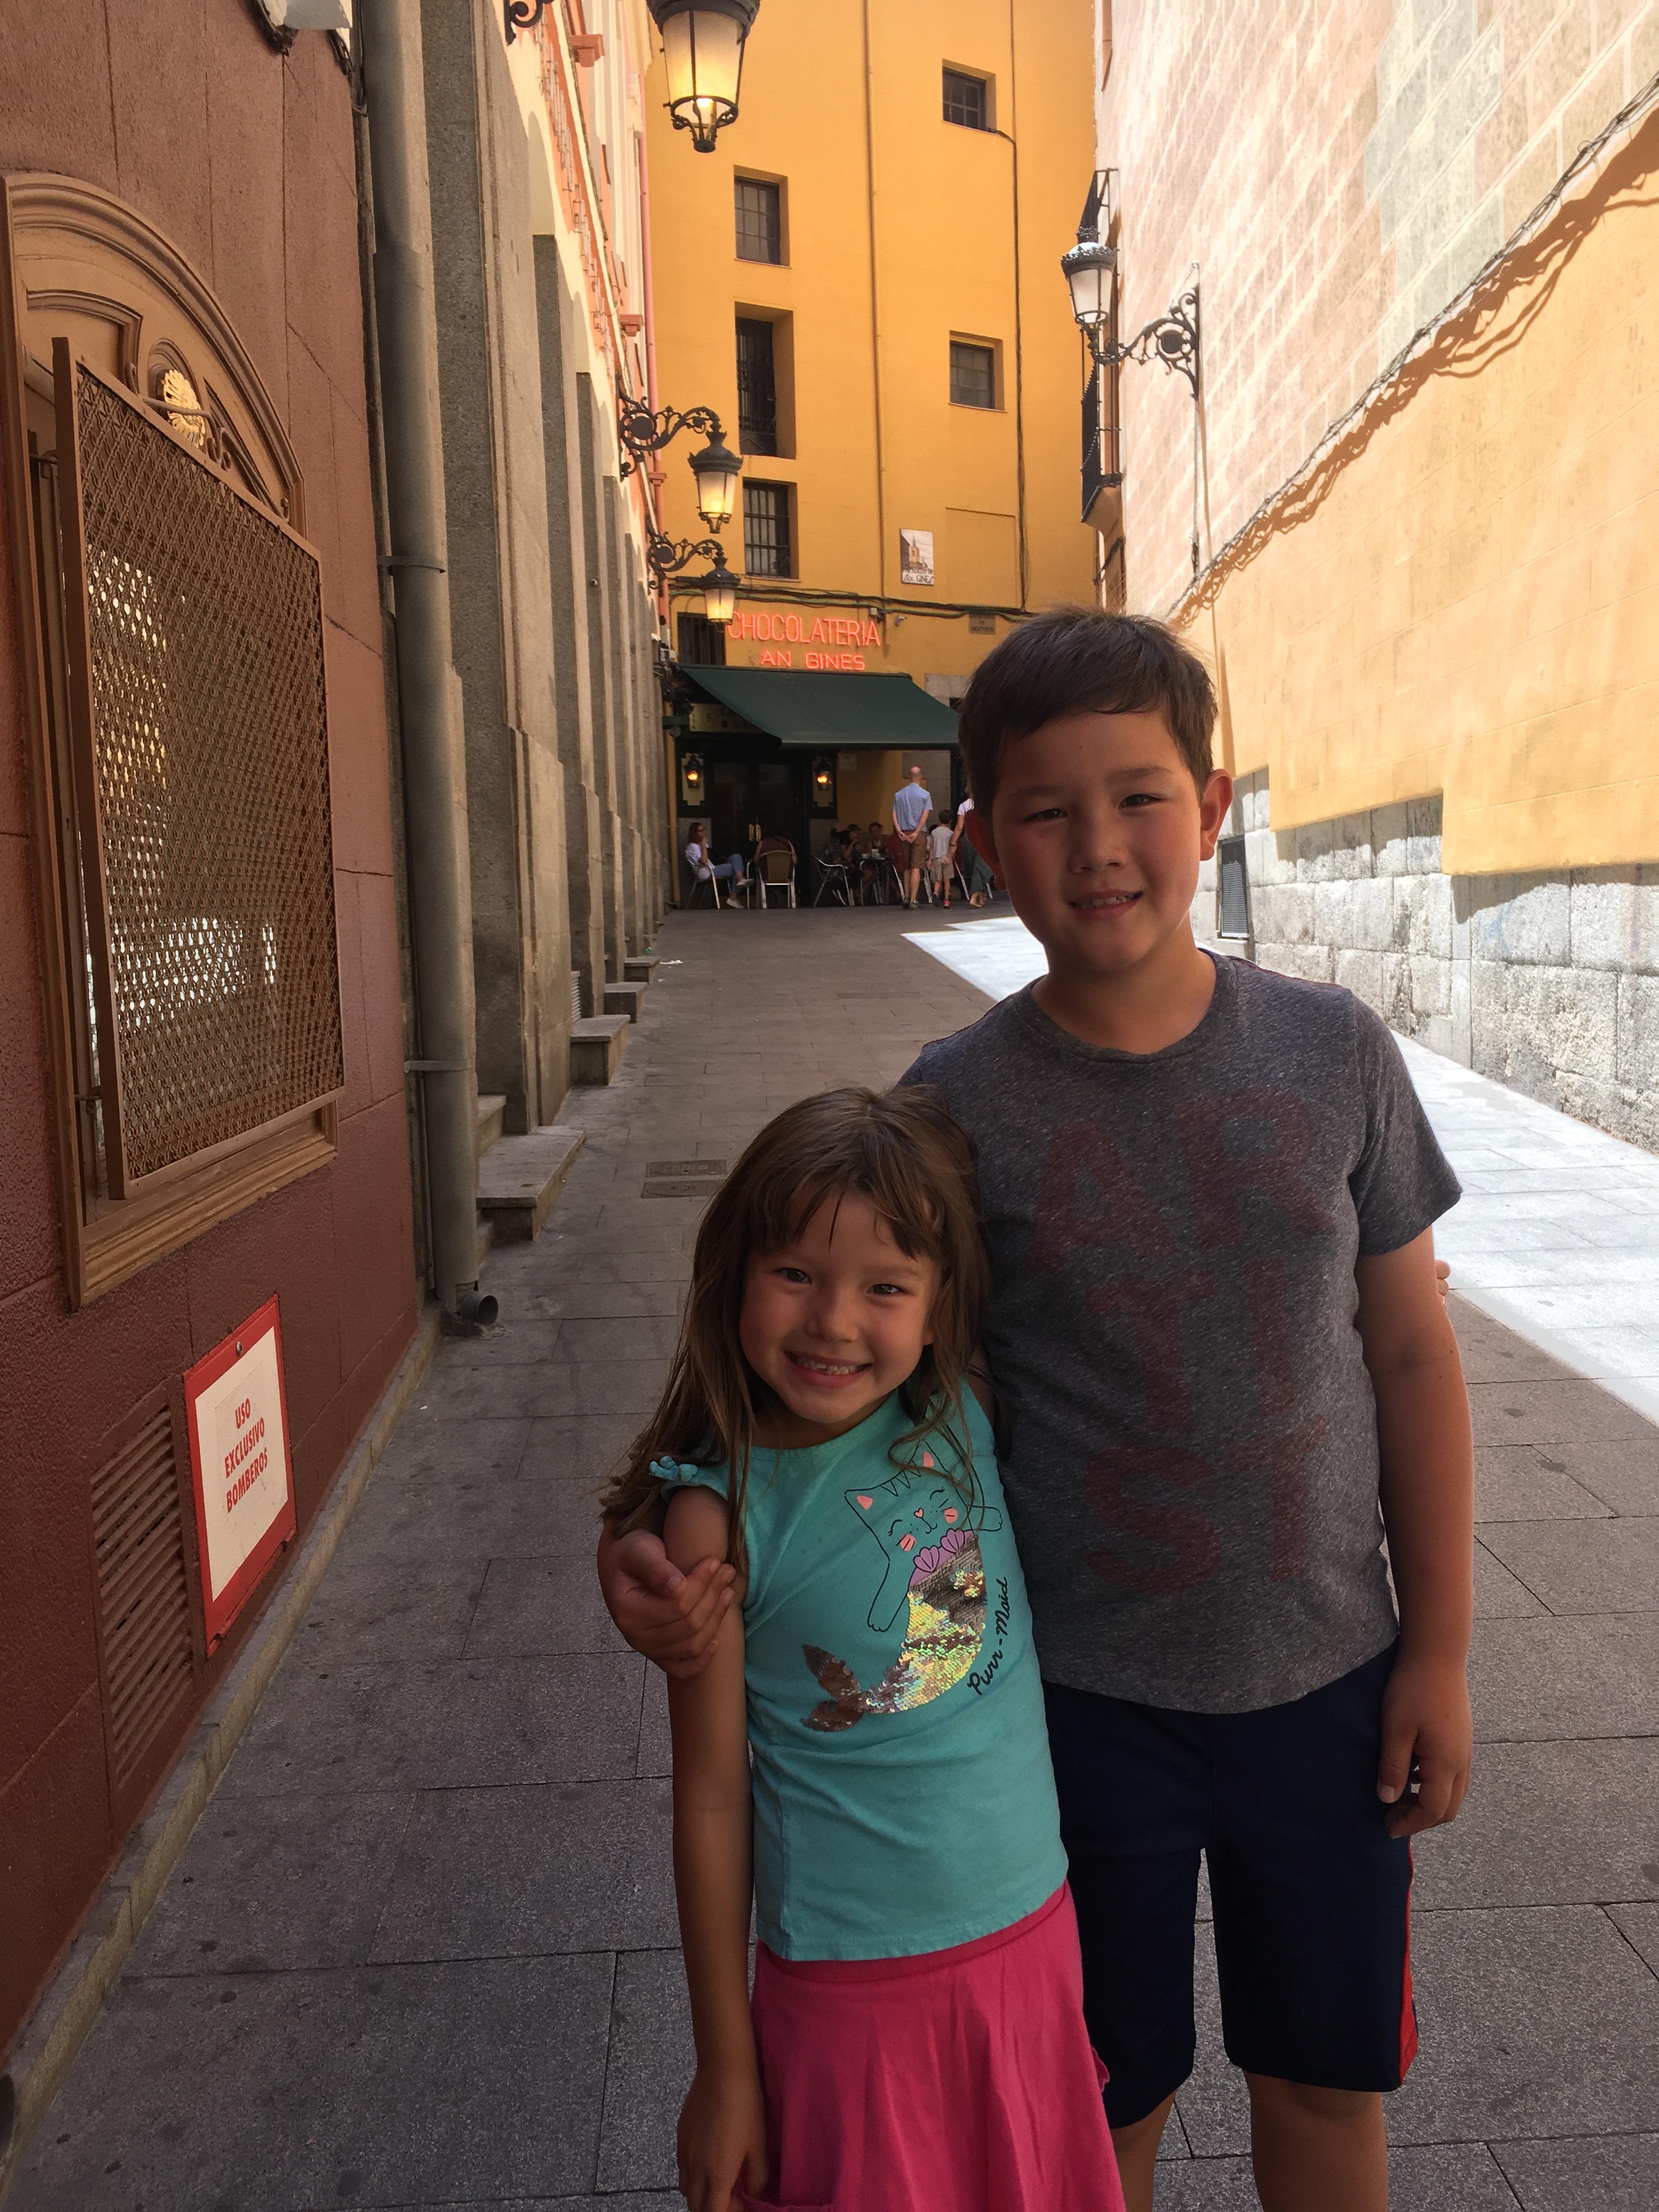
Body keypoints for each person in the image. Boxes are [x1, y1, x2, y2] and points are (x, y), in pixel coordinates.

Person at [602, 608, 1474, 2212]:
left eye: (1139, 797)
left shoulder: (1336, 1054)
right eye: (1047, 810)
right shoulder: (951, 1105)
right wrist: (662, 1539)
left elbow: (1413, 1355)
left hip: (1328, 1680)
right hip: (1072, 1707)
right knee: (1097, 2099)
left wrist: (1440, 1649)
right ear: (984, 837)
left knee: (1325, 2081)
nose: (1099, 846)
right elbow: (824, 1382)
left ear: (1212, 806)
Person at [600, 1088, 1125, 2212]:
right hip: (850, 1992)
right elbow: (710, 1800)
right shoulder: (715, 1518)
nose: (834, 1321)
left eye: (884, 1287)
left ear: (938, 1310)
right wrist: (724, 2066)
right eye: (795, 1273)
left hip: (1030, 1941)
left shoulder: (956, 1405)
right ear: (734, 1274)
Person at [891, 762, 932, 907]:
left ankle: (906, 897)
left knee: (907, 867)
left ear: (908, 777)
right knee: (916, 867)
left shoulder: (899, 795)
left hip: (903, 833)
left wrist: (899, 831)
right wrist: (916, 832)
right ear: (920, 777)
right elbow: (925, 815)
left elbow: (894, 814)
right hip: (918, 834)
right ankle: (914, 899)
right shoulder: (925, 795)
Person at [685, 824, 747, 905]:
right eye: (701, 831)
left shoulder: (702, 845)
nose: (704, 832)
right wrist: (703, 845)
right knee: (734, 868)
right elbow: (704, 861)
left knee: (736, 857)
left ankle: (740, 879)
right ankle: (734, 895)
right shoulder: (692, 847)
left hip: (713, 867)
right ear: (694, 834)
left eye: (704, 830)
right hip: (707, 872)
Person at [950, 797, 994, 906]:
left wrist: (952, 844)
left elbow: (959, 827)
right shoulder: (987, 803)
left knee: (974, 868)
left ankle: (980, 896)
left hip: (968, 839)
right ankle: (974, 896)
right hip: (983, 838)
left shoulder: (964, 805)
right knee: (982, 867)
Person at [927, 810, 955, 905]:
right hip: (946, 858)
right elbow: (953, 846)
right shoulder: (951, 833)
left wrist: (930, 859)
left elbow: (931, 847)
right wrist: (949, 856)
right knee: (947, 880)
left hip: (936, 858)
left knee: (938, 879)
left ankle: (936, 893)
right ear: (950, 821)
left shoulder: (934, 832)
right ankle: (946, 900)